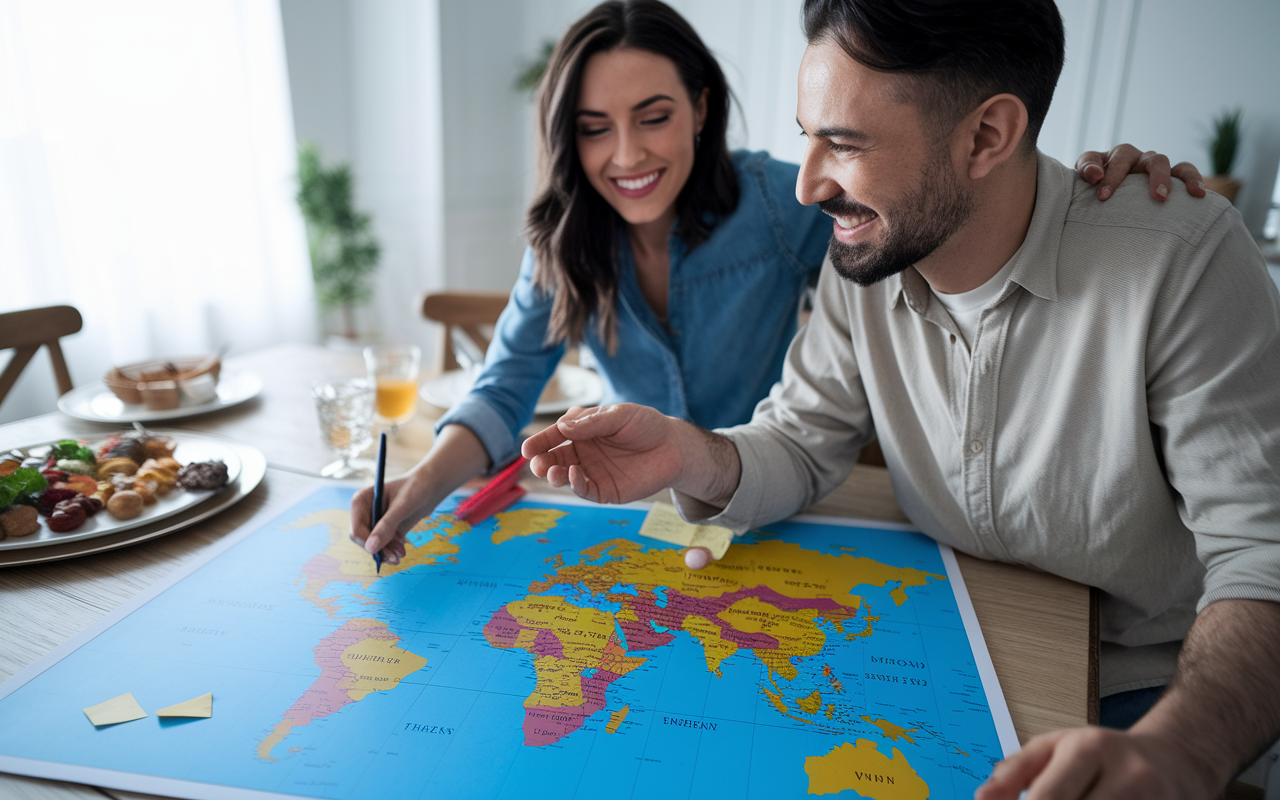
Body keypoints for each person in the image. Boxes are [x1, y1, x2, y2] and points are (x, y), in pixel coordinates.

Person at [522, 1, 1280, 797]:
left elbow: (1264, 560)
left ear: (988, 136)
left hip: (1153, 700)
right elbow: (802, 437)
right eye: (807, 135)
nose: (810, 184)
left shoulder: (1182, 262)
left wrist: (1185, 749)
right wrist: (692, 453)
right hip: (949, 651)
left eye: (843, 145)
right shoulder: (867, 252)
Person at [353, 0, 1201, 566]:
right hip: (655, 507)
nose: (627, 156)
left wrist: (1097, 175)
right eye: (593, 130)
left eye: (654, 116)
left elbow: (947, 189)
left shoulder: (778, 202)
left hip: (772, 509)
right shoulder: (567, 240)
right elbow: (504, 389)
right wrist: (420, 488)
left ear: (700, 107)